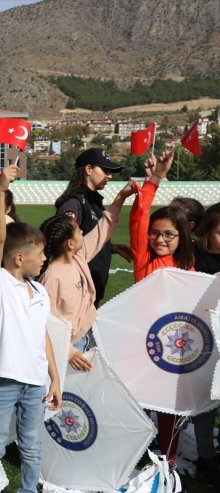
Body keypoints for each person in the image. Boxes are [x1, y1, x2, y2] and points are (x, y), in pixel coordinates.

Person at [0, 164, 61, 493]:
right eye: (40, 254)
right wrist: (0, 190)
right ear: (17, 258)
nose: (44, 259)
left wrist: (55, 378)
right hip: (2, 384)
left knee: (31, 446)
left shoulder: (39, 290)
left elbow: (42, 335)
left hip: (34, 384)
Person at [130, 147, 194, 467]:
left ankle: (167, 462)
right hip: (142, 350)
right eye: (155, 233)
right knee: (138, 408)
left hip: (176, 353)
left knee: (170, 412)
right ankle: (133, 457)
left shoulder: (190, 272)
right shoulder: (145, 261)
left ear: (182, 236)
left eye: (168, 234)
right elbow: (139, 215)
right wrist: (155, 178)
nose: (159, 239)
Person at [39, 182, 137, 371]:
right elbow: (44, 323)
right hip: (67, 349)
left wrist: (121, 198)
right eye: (78, 231)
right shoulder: (52, 278)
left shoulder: (78, 258)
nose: (83, 232)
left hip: (87, 337)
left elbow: (102, 230)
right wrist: (69, 352)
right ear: (69, 244)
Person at [55, 149, 131, 306]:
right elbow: (65, 248)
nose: (109, 175)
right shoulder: (74, 203)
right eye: (105, 170)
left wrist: (111, 248)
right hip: (77, 295)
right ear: (89, 169)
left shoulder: (94, 202)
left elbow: (86, 240)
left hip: (91, 293)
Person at [190, 202, 220, 488]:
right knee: (205, 406)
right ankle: (206, 458)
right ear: (206, 232)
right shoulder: (194, 259)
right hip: (202, 344)